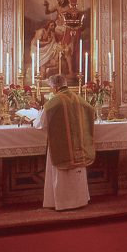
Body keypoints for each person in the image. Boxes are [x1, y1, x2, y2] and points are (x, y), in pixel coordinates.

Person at [33, 74, 95, 210]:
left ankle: (62, 203)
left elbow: (40, 124)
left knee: (61, 175)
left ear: (55, 87)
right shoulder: (79, 99)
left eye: (51, 87)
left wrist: (35, 117)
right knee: (77, 173)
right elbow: (91, 111)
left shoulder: (52, 103)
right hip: (79, 145)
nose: (51, 90)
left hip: (60, 146)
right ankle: (80, 201)